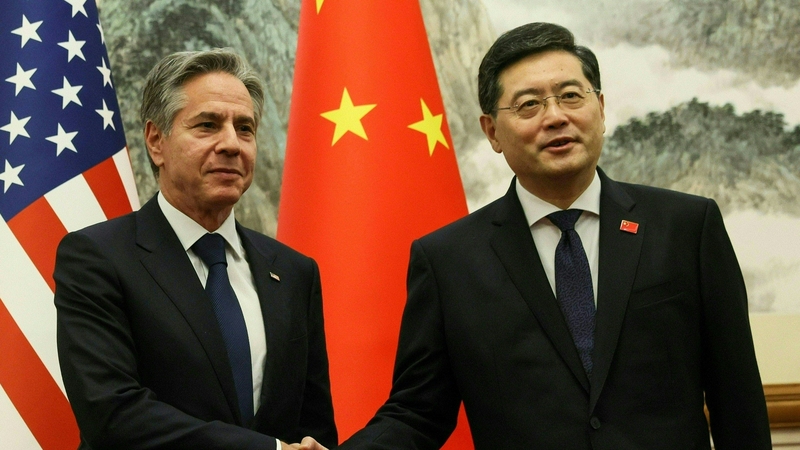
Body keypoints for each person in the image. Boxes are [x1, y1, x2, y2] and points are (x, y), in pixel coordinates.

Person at [308, 22, 772, 450]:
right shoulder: (449, 260)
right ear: (492, 132)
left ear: (601, 108)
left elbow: (737, 399)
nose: (555, 117)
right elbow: (417, 412)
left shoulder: (687, 226)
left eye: (571, 96)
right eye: (529, 104)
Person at [54, 49, 336, 450]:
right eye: (207, 125)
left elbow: (314, 424)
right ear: (156, 141)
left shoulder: (293, 271)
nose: (231, 144)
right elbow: (112, 413)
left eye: (245, 128)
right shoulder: (97, 258)